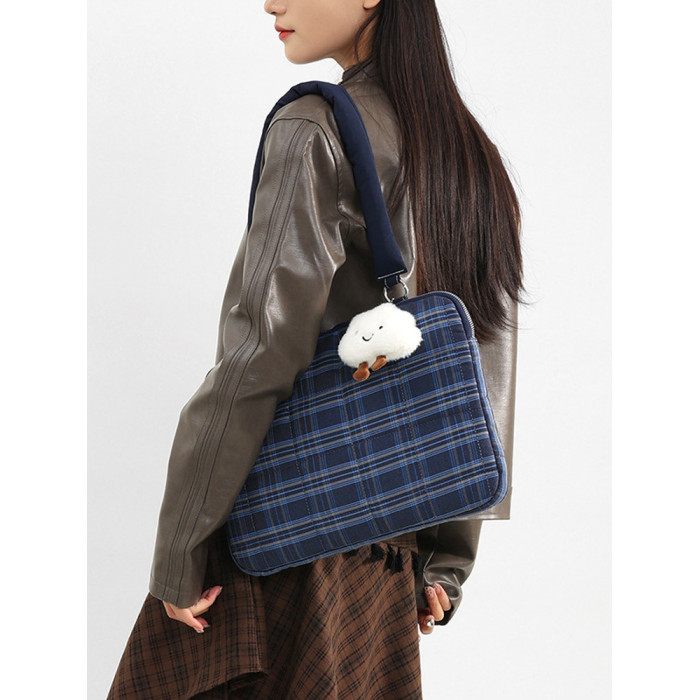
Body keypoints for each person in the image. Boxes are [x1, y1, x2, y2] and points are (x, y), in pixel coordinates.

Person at [107, 0, 522, 697]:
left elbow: (260, 352)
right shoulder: (472, 155)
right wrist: (446, 562)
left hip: (283, 537)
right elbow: (481, 370)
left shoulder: (315, 128)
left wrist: (181, 547)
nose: (271, 2)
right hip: (387, 570)